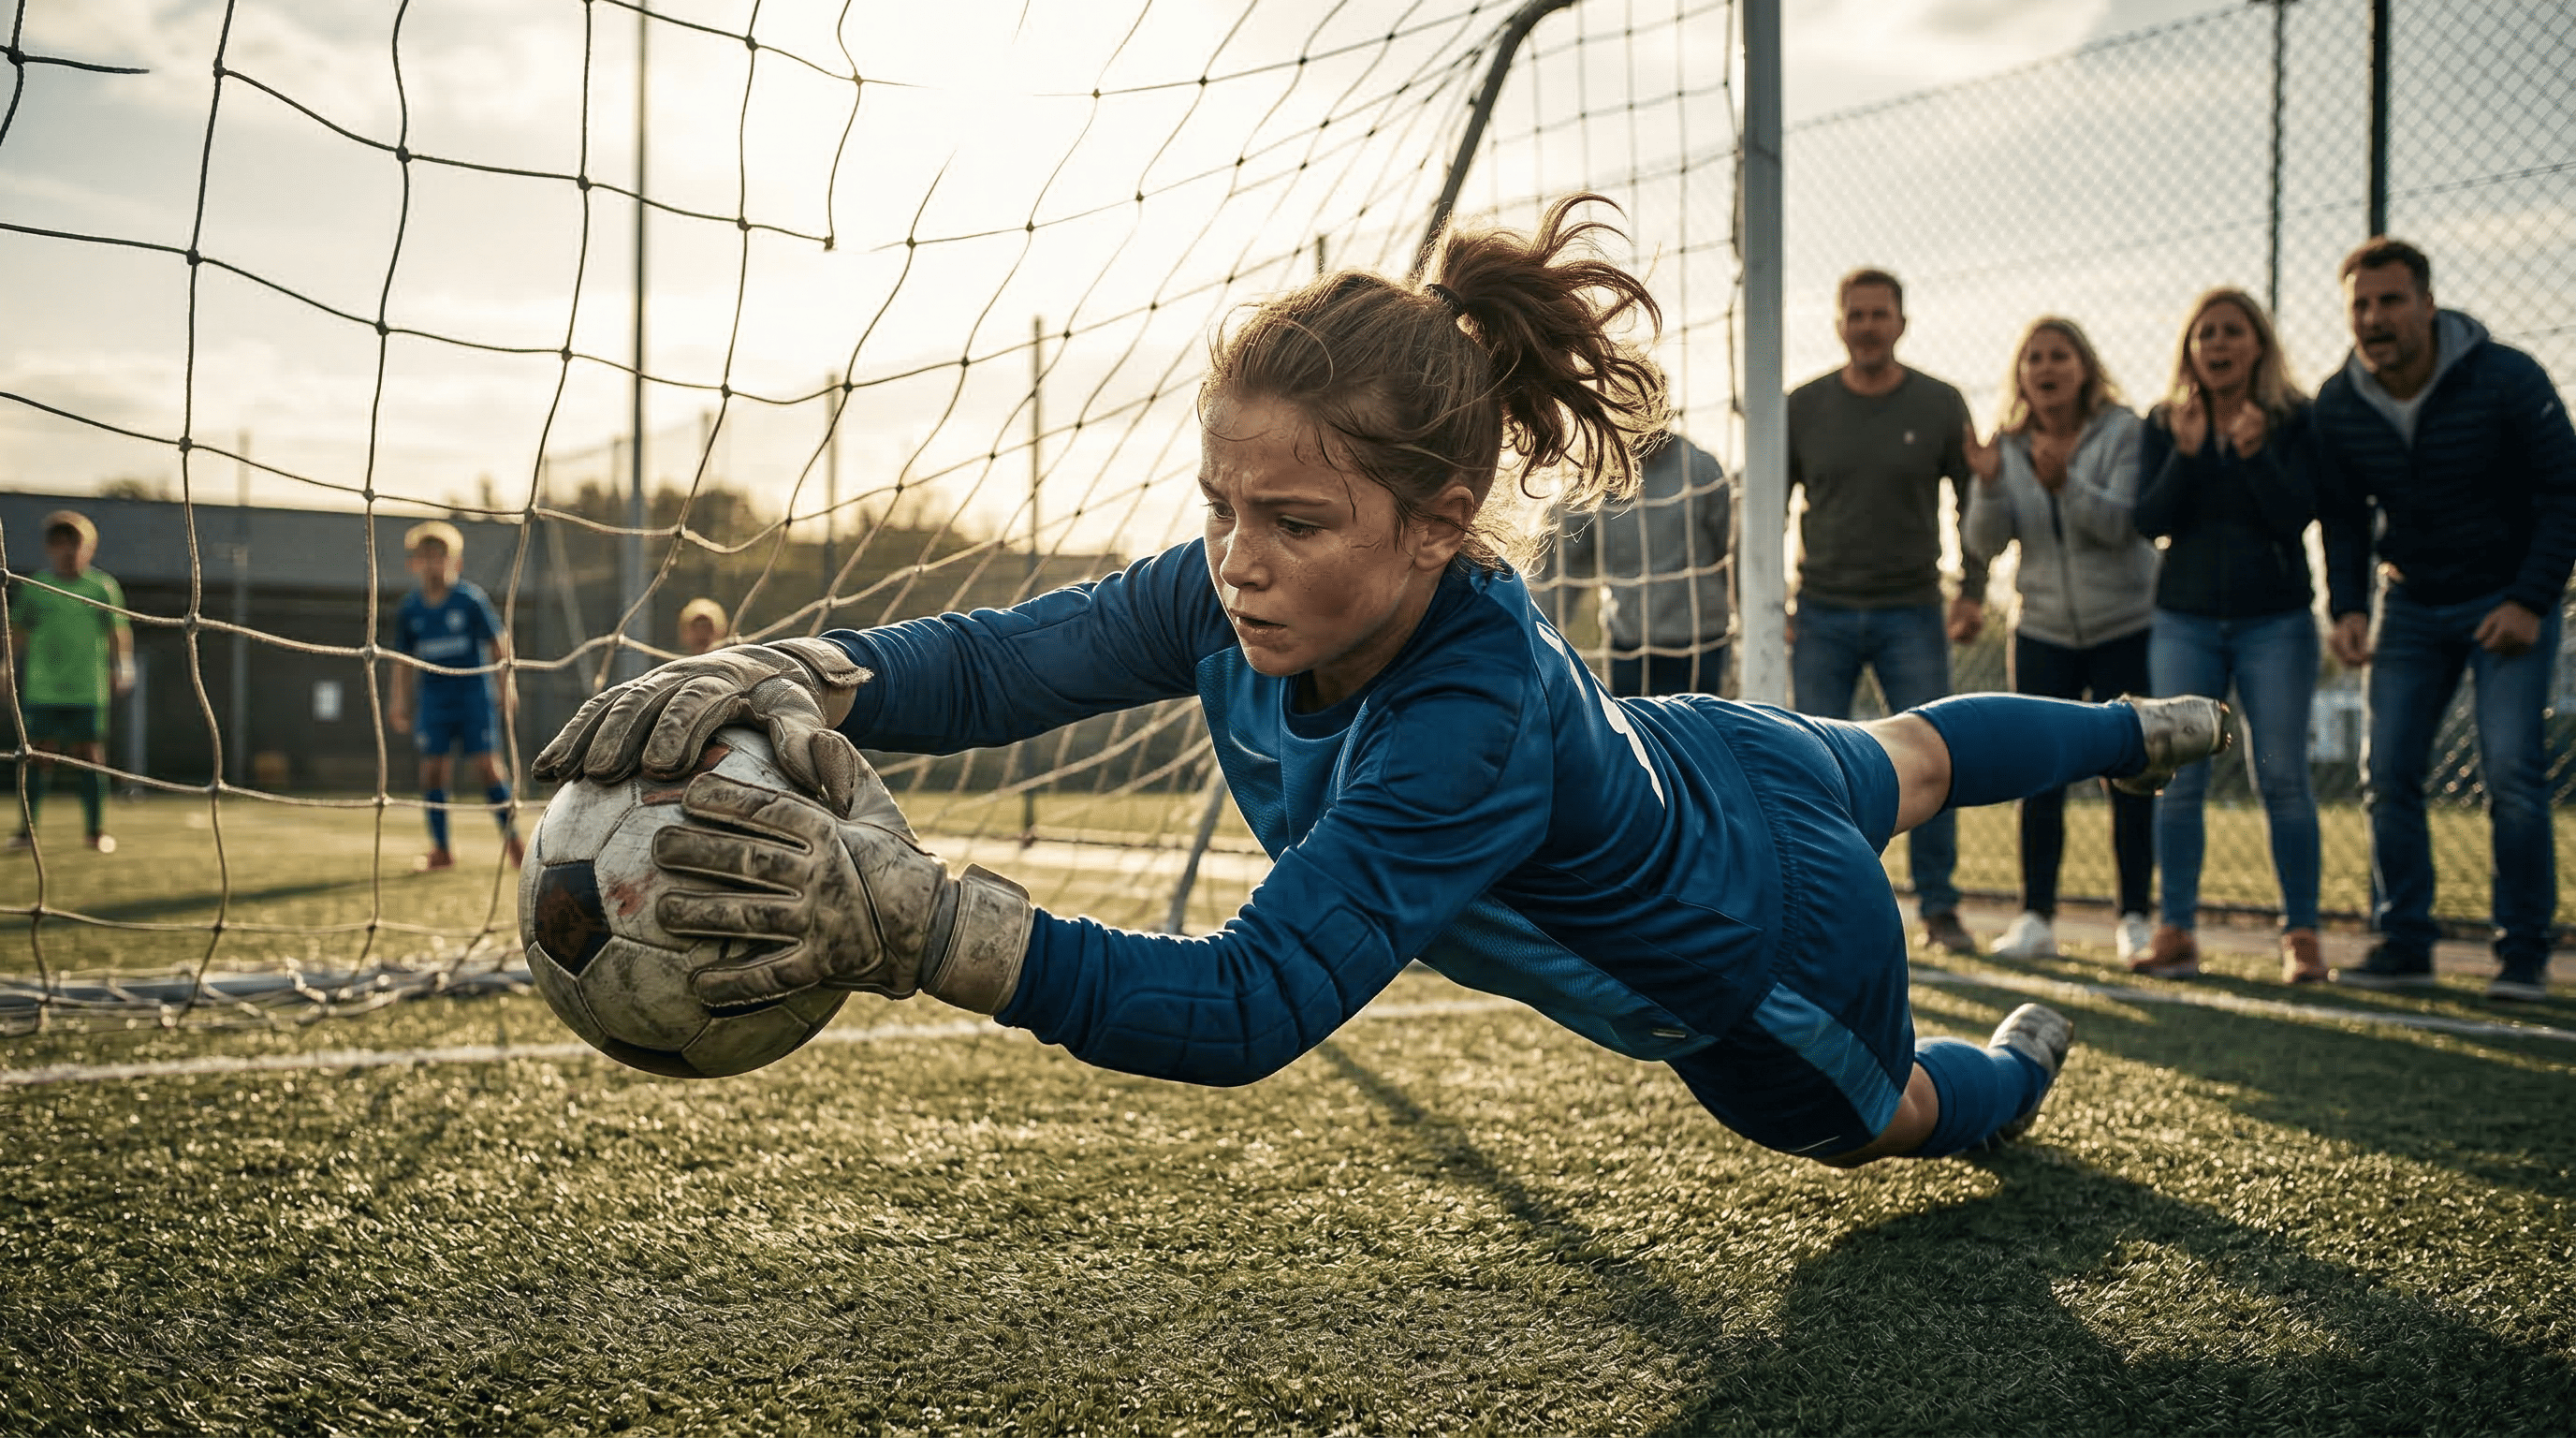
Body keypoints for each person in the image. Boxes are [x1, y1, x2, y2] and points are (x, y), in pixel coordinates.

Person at [537, 196, 2232, 1168]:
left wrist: (925, 930)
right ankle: (2128, 731)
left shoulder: (1460, 729)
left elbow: (1242, 1008)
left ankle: (2016, 1055)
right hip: (1699, 752)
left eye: (1289, 520)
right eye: (1217, 509)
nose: (1235, 557)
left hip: (1766, 956)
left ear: (1435, 530)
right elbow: (1002, 658)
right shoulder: (1238, 588)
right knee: (1906, 757)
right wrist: (808, 663)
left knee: (1892, 1116)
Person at [2317, 239, 2576, 1003]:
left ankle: (2523, 953)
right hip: (2413, 602)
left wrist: (2530, 600)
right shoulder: (2340, 401)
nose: (2374, 318)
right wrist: (2351, 608)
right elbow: (2341, 517)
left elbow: (2567, 492)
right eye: (2360, 305)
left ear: (2428, 304)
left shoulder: (2506, 377)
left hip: (2508, 600)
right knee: (2387, 775)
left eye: (2390, 301)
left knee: (2513, 774)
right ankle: (2404, 942)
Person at [1787, 269, 1989, 956]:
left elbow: (1974, 503)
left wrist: (1975, 586)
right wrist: (1766, 599)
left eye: (1880, 314)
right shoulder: (1802, 406)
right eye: (1856, 314)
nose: (1867, 325)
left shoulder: (1940, 403)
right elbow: (1769, 505)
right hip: (1820, 611)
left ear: (1902, 323)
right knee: (1816, 768)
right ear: (1839, 323)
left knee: (1935, 759)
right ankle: (1831, 914)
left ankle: (1940, 911)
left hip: (1912, 609)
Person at [2132, 287, 2326, 985]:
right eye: (2204, 333)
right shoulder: (2163, 422)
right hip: (2183, 621)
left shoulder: (2294, 420)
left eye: (2232, 332)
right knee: (2179, 780)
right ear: (2189, 348)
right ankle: (2176, 929)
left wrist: (2254, 454)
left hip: (2275, 622)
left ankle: (2301, 933)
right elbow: (2146, 518)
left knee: (2282, 777)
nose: (2216, 345)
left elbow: (2296, 515)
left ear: (2258, 345)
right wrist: (2185, 455)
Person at [1960, 317, 2156, 965]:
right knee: (2038, 774)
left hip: (2125, 622)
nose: (2046, 369)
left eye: (2059, 356)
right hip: (2041, 628)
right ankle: (2036, 917)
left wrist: (2065, 484)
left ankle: (2135, 919)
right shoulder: (2006, 447)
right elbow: (1984, 544)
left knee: (2131, 773)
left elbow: (2125, 525)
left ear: (2084, 366)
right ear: (2021, 374)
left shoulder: (2123, 431)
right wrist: (1989, 484)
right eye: (2034, 358)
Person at [1545, 428, 1733, 696]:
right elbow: (1562, 566)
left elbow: (1727, 549)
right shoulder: (1594, 478)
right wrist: (1531, 633)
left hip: (1700, 643)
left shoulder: (1700, 468)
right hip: (1629, 645)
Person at [389, 521, 522, 872]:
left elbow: (499, 644)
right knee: (433, 772)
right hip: (434, 702)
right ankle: (442, 850)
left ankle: (515, 846)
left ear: (455, 562)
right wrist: (398, 700)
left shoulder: (469, 600)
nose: (434, 564)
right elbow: (402, 662)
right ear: (414, 564)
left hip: (473, 697)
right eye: (426, 557)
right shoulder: (410, 609)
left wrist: (505, 686)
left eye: (440, 557)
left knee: (488, 769)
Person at [6, 510, 134, 854]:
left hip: (87, 689)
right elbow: (18, 631)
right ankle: (25, 833)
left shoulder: (102, 587)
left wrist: (124, 664)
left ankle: (95, 832)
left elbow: (118, 630)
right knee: (37, 755)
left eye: (76, 544)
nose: (69, 552)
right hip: (43, 687)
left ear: (89, 547)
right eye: (61, 545)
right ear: (50, 548)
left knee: (90, 756)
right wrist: (6, 665)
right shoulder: (36, 587)